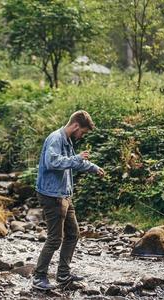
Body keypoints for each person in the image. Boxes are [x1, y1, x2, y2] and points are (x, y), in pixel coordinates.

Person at [32, 110, 105, 290]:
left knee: (73, 234)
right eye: (83, 132)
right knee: (55, 238)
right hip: (51, 196)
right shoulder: (55, 139)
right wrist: (77, 158)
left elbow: (75, 162)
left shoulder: (67, 141)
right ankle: (39, 277)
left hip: (64, 194)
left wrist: (94, 168)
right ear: (75, 126)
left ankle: (63, 274)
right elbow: (53, 162)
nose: (82, 135)